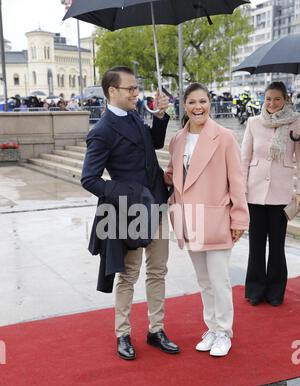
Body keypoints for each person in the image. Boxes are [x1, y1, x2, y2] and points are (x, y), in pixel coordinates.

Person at [81, 66, 180, 361]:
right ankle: (122, 334)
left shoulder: (135, 114)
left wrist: (160, 117)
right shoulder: (101, 131)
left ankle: (156, 329)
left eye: (136, 88)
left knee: (158, 271)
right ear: (112, 91)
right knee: (128, 276)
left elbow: (154, 144)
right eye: (131, 89)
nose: (136, 93)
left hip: (158, 202)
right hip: (130, 211)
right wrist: (126, 193)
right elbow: (89, 179)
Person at [164, 83, 249, 357]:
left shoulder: (224, 137)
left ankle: (224, 332)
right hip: (190, 219)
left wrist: (239, 220)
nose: (197, 107)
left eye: (202, 101)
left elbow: (237, 181)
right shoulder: (177, 139)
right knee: (204, 280)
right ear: (184, 105)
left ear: (209, 104)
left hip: (217, 217)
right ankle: (212, 328)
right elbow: (172, 172)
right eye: (191, 102)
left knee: (219, 279)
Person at [241, 81, 300, 307]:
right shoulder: (253, 122)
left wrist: (298, 191)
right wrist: (241, 187)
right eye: (268, 99)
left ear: (285, 99)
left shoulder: (296, 122)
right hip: (254, 192)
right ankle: (255, 290)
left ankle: (276, 291)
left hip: (282, 193)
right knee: (256, 244)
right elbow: (244, 158)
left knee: (277, 245)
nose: (272, 103)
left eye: (277, 99)